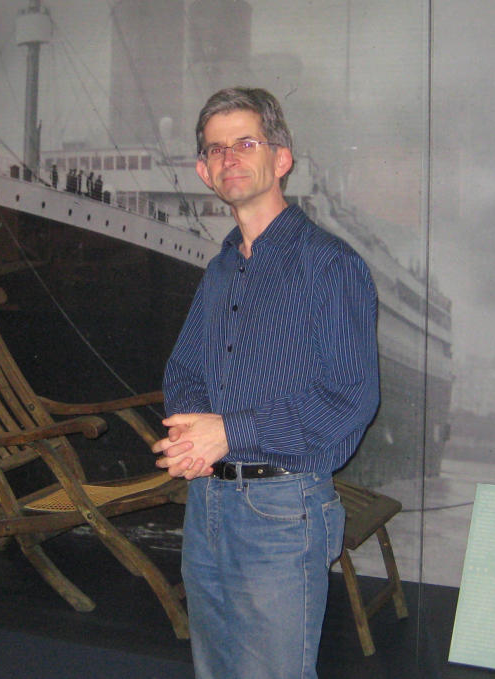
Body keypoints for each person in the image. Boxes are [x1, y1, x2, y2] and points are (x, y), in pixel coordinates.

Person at [151, 87, 380, 679]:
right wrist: (192, 435)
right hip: (208, 504)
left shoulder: (330, 264)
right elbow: (184, 369)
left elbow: (350, 397)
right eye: (216, 149)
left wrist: (228, 433)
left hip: (283, 510)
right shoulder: (222, 266)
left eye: (245, 142)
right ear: (203, 170)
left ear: (281, 158)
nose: (230, 157)